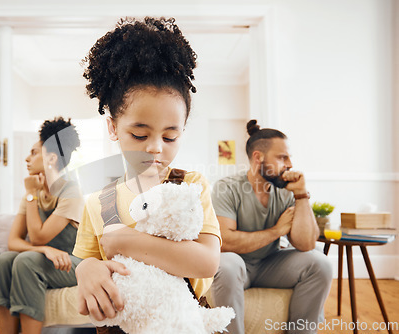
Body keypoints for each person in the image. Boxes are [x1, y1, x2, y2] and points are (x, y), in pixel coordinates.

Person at [72, 17, 222, 333]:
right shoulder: (98, 201)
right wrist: (87, 269)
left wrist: (124, 240)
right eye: (139, 135)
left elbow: (207, 262)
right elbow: (85, 259)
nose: (155, 148)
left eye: (170, 137)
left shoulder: (191, 186)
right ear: (113, 127)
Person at [210, 120, 333, 334]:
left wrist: (302, 195)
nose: (290, 164)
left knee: (321, 263)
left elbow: (305, 243)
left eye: (289, 157)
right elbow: (225, 241)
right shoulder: (227, 188)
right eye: (282, 157)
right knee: (227, 263)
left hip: (271, 264)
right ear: (258, 157)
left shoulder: (286, 191)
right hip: (239, 265)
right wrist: (276, 231)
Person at [0, 117, 84, 334]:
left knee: (26, 261)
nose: (26, 158)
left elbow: (39, 236)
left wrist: (31, 194)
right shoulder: (33, 194)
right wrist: (44, 250)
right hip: (49, 258)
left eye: (33, 152)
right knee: (3, 261)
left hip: (74, 262)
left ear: (51, 158)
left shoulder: (71, 191)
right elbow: (14, 241)